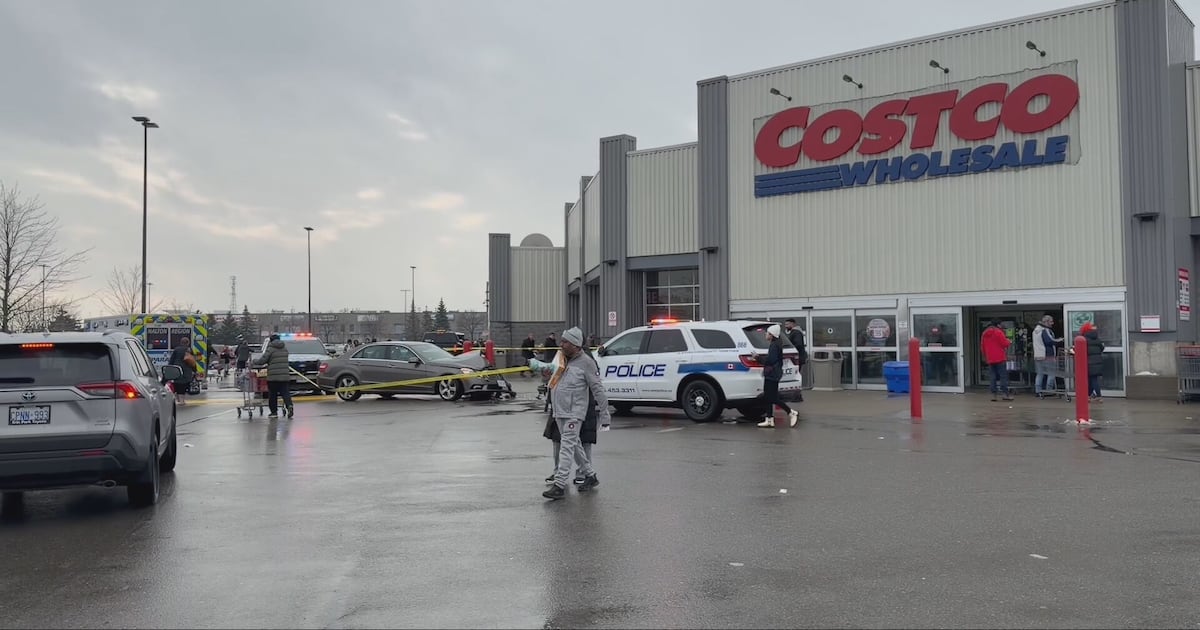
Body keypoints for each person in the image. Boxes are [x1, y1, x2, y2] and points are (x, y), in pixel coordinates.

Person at [543, 326, 611, 500]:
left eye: (565, 342)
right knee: (574, 446)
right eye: (562, 340)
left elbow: (598, 389)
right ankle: (590, 475)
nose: (561, 344)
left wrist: (604, 414)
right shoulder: (561, 359)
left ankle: (559, 484)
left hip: (575, 412)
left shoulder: (586, 363)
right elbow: (553, 381)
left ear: (575, 345)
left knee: (567, 445)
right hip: (559, 411)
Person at [755, 324, 799, 428]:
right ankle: (769, 419)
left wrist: (758, 358)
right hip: (773, 373)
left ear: (772, 335)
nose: (766, 335)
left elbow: (770, 360)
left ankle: (791, 412)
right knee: (768, 397)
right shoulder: (776, 344)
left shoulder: (774, 345)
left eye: (768, 333)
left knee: (772, 397)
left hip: (772, 374)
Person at [253, 334, 294, 419]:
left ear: (271, 341)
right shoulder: (284, 349)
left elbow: (263, 360)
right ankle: (289, 405)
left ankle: (274, 412)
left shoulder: (270, 349)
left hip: (273, 376)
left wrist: (254, 361)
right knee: (285, 393)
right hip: (284, 375)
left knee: (273, 395)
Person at [981, 319, 1013, 401]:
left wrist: (985, 357)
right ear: (998, 325)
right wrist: (1009, 341)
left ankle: (993, 395)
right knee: (1003, 376)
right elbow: (1004, 343)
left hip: (990, 358)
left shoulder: (984, 333)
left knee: (992, 377)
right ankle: (1005, 394)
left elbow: (982, 346)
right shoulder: (998, 332)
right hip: (1000, 357)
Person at [1032, 315, 1063, 398]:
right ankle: (1049, 390)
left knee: (1040, 374)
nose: (1052, 323)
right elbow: (1049, 341)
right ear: (1046, 322)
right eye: (1051, 321)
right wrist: (1059, 340)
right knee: (1051, 373)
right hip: (1048, 355)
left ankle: (1038, 391)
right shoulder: (1044, 330)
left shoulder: (1035, 330)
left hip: (1038, 355)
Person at [167, 336, 197, 405]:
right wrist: (195, 370)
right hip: (187, 370)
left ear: (181, 342)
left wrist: (169, 368)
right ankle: (182, 400)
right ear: (188, 343)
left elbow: (172, 359)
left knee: (177, 384)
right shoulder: (189, 350)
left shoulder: (176, 349)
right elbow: (192, 361)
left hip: (177, 369)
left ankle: (178, 400)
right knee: (184, 385)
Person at [783, 318, 807, 402]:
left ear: (793, 324)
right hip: (798, 358)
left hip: (797, 358)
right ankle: (796, 396)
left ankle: (797, 396)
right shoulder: (796, 332)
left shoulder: (796, 332)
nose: (786, 326)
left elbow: (798, 344)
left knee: (796, 377)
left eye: (787, 324)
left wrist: (790, 347)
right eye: (785, 324)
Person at [1082, 322, 1105, 402]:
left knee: (1093, 379)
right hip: (1097, 361)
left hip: (1088, 362)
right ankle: (1088, 395)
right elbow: (1102, 348)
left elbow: (1081, 351)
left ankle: (1098, 396)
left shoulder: (1084, 339)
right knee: (1092, 379)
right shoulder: (1097, 339)